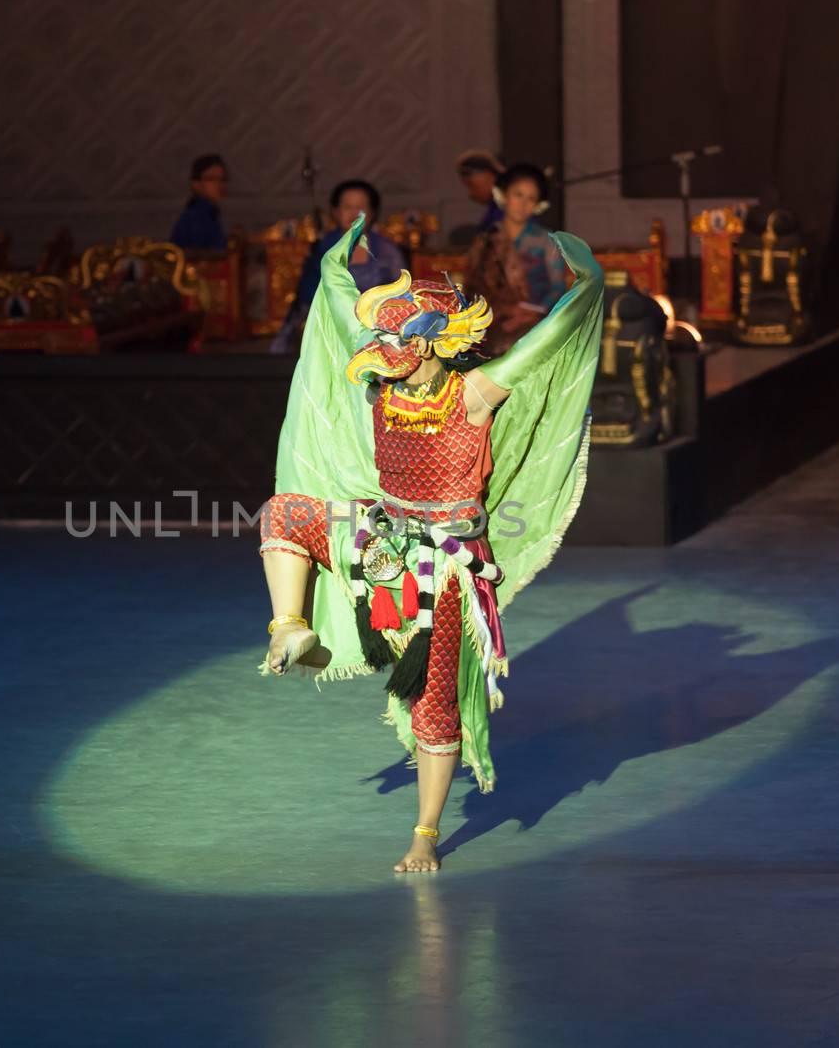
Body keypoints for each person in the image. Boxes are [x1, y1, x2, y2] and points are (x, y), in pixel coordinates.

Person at [256, 214, 603, 872]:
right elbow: (339, 319)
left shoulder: (472, 395)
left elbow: (543, 347)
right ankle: (290, 625)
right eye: (384, 334)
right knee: (285, 513)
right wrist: (337, 270)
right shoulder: (382, 387)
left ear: (441, 342)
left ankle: (425, 832)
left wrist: (582, 291)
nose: (387, 345)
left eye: (402, 335)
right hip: (379, 536)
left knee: (434, 701)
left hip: (444, 566)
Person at [268, 179, 406, 353]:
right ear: (335, 212)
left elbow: (403, 296)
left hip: (378, 331)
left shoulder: (388, 251)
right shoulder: (323, 249)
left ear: (372, 212)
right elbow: (306, 298)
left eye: (361, 207)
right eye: (347, 207)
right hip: (329, 331)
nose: (354, 213)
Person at [465, 162, 569, 355]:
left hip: (537, 321)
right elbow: (473, 288)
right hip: (492, 320)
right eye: (518, 195)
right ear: (504, 195)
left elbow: (558, 288)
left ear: (538, 205)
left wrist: (533, 311)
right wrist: (503, 311)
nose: (523, 204)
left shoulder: (546, 241)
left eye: (531, 198)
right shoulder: (486, 239)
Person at [169, 154, 229, 251]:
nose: (219, 185)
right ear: (196, 184)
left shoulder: (211, 215)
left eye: (222, 179)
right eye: (211, 179)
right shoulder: (195, 217)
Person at [456, 149, 504, 233]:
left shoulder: (508, 210)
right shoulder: (493, 208)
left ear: (490, 176)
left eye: (471, 185)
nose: (470, 194)